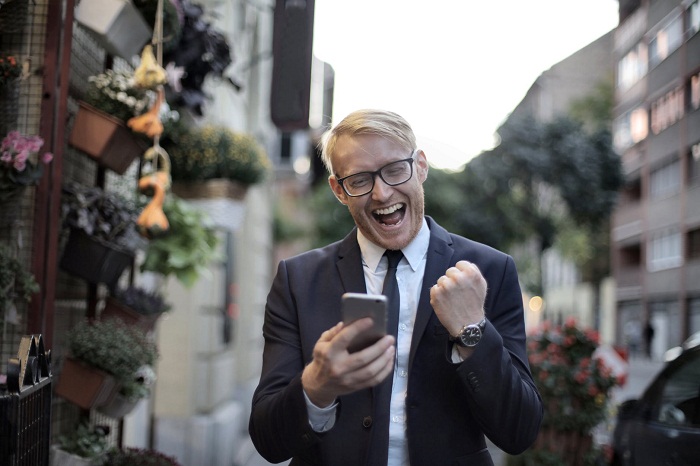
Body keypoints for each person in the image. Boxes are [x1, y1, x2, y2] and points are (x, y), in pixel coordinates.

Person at [249, 109, 543, 465]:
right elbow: (268, 441)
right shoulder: (297, 279)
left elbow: (518, 432)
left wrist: (472, 331)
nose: (381, 193)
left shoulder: (490, 271)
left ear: (420, 166)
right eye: (359, 180)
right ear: (338, 190)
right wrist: (317, 385)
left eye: (394, 170)